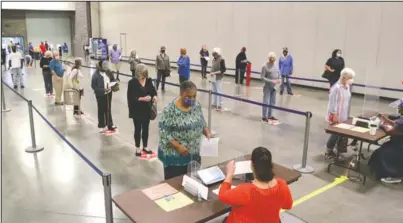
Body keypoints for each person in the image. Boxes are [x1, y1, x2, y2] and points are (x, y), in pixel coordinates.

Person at [219, 147, 293, 223]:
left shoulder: (246, 190)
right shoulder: (282, 185)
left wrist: (229, 173)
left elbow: (222, 196)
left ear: (251, 165)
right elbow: (288, 205)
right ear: (271, 165)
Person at [158, 81, 210, 180]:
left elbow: (201, 120)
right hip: (176, 159)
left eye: (194, 96)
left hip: (194, 156)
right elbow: (163, 133)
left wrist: (206, 130)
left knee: (193, 184)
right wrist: (178, 146)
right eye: (188, 97)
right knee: (176, 187)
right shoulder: (169, 110)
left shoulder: (196, 106)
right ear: (181, 94)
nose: (192, 99)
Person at [368, 102, 403, 184]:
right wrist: (385, 119)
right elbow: (396, 123)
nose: (398, 109)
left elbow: (392, 131)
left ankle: (391, 175)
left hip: (399, 146)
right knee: (381, 150)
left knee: (381, 152)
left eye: (400, 108)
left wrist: (382, 125)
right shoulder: (401, 120)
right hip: (397, 142)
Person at [325, 68, 355, 160]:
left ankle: (339, 149)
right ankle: (328, 150)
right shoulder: (336, 88)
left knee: (341, 133)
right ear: (344, 77)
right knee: (335, 133)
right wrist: (334, 114)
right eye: (350, 78)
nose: (351, 80)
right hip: (335, 115)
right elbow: (332, 102)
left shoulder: (347, 86)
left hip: (344, 114)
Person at [127, 64, 157, 156]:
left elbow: (153, 91)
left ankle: (145, 146)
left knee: (146, 129)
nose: (143, 77)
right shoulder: (132, 82)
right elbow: (130, 98)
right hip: (136, 109)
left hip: (146, 109)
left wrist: (154, 97)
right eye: (141, 75)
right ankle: (137, 147)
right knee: (137, 129)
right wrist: (143, 99)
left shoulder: (148, 81)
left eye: (144, 75)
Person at [91, 60, 118, 133]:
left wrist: (115, 83)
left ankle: (110, 124)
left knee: (108, 108)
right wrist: (103, 90)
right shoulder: (95, 75)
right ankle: (101, 125)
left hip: (109, 93)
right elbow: (93, 86)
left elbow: (113, 79)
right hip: (100, 95)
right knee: (101, 109)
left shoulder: (108, 71)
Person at [261, 52, 280, 122]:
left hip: (275, 87)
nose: (272, 59)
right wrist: (271, 81)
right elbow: (262, 77)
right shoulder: (265, 66)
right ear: (269, 58)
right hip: (267, 87)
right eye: (271, 58)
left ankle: (270, 115)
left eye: (273, 58)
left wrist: (279, 80)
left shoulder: (276, 65)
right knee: (266, 101)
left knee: (273, 102)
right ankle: (264, 116)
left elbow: (278, 73)